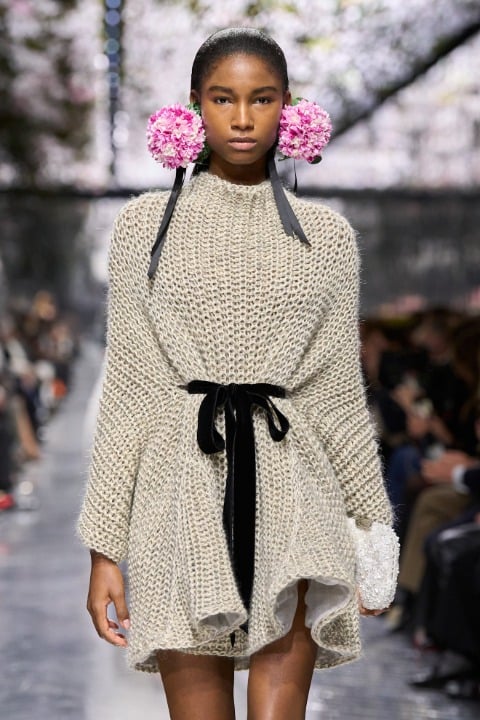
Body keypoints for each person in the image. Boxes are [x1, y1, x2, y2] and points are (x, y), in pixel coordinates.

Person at [77, 27, 399, 720]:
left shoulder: (327, 237)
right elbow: (129, 392)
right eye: (224, 99)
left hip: (297, 491)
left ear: (289, 106)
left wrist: (374, 530)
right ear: (194, 106)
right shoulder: (144, 227)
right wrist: (104, 550)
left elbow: (338, 394)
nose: (244, 118)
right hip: (176, 496)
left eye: (262, 99)